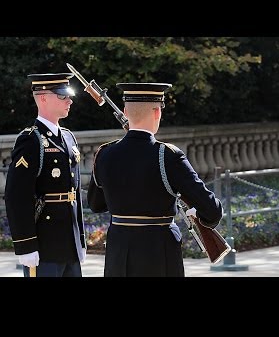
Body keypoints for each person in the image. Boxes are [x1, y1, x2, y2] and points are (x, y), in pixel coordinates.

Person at [87, 82, 223, 277]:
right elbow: (212, 211)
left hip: (118, 253)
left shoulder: (104, 153)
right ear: (157, 112)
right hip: (159, 253)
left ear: (126, 111)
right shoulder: (168, 156)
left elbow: (96, 204)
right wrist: (195, 213)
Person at [5, 73, 86, 277]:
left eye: (69, 95)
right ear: (43, 98)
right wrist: (26, 245)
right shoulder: (31, 140)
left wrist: (80, 239)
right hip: (44, 246)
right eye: (62, 96)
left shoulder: (68, 137)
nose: (69, 100)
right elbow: (17, 196)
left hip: (70, 244)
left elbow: (74, 194)